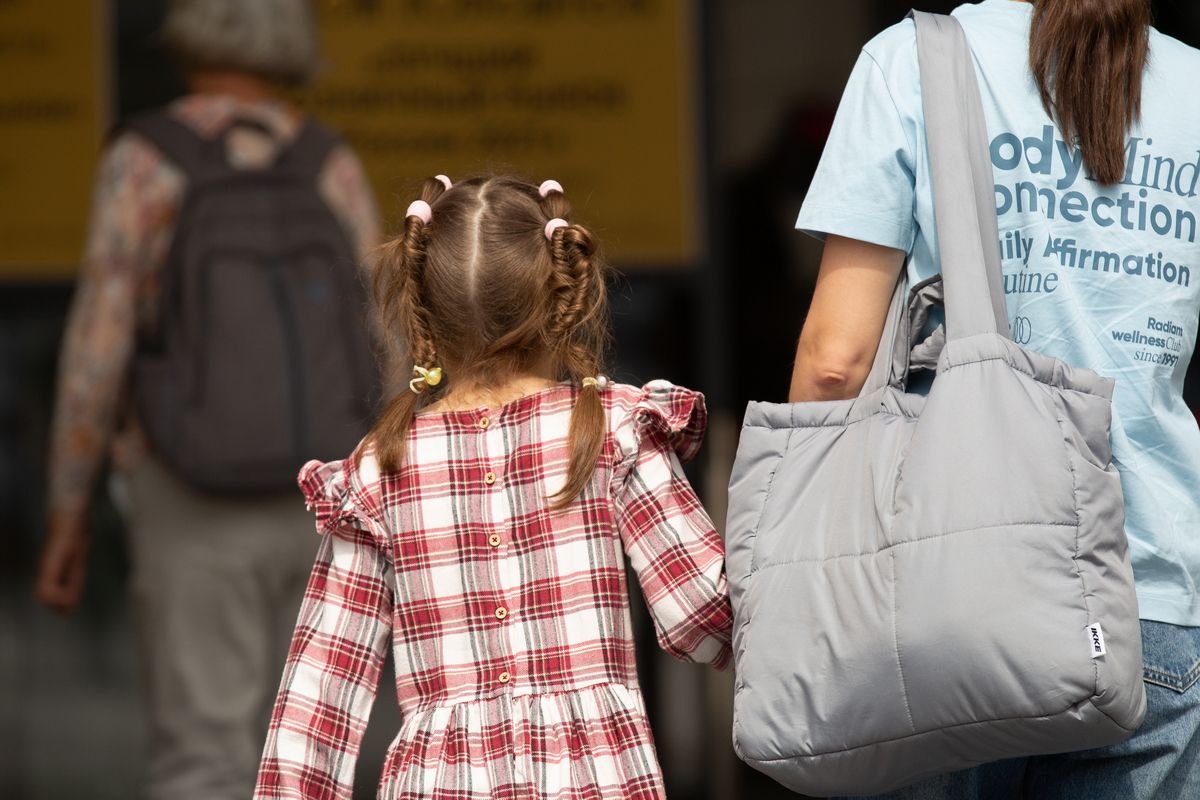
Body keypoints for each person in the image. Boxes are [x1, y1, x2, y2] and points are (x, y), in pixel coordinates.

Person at [791, 0, 1200, 797]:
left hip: (942, 593)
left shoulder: (911, 60)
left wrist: (792, 554)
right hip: (1155, 590)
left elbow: (835, 362)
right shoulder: (1193, 84)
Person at [253, 175, 733, 799]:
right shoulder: (613, 429)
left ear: (422, 306)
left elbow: (319, 699)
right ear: (561, 292)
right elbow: (701, 615)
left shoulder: (379, 468)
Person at [33, 1, 381, 798]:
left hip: (188, 495)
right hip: (323, 499)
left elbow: (99, 341)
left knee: (203, 753)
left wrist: (67, 510)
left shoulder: (145, 160)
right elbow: (388, 336)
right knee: (314, 752)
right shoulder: (330, 162)